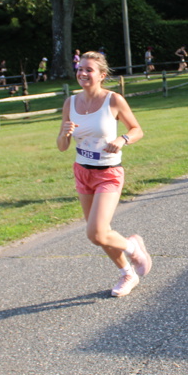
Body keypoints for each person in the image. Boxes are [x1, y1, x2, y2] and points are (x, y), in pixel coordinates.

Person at [57, 51, 151, 298]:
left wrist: (123, 139)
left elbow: (137, 129)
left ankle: (133, 248)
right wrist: (64, 134)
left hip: (108, 173)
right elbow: (62, 146)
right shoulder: (70, 103)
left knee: (96, 233)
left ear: (101, 75)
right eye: (80, 69)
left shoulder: (113, 100)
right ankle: (127, 273)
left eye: (89, 69)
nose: (82, 73)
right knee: (101, 235)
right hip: (82, 172)